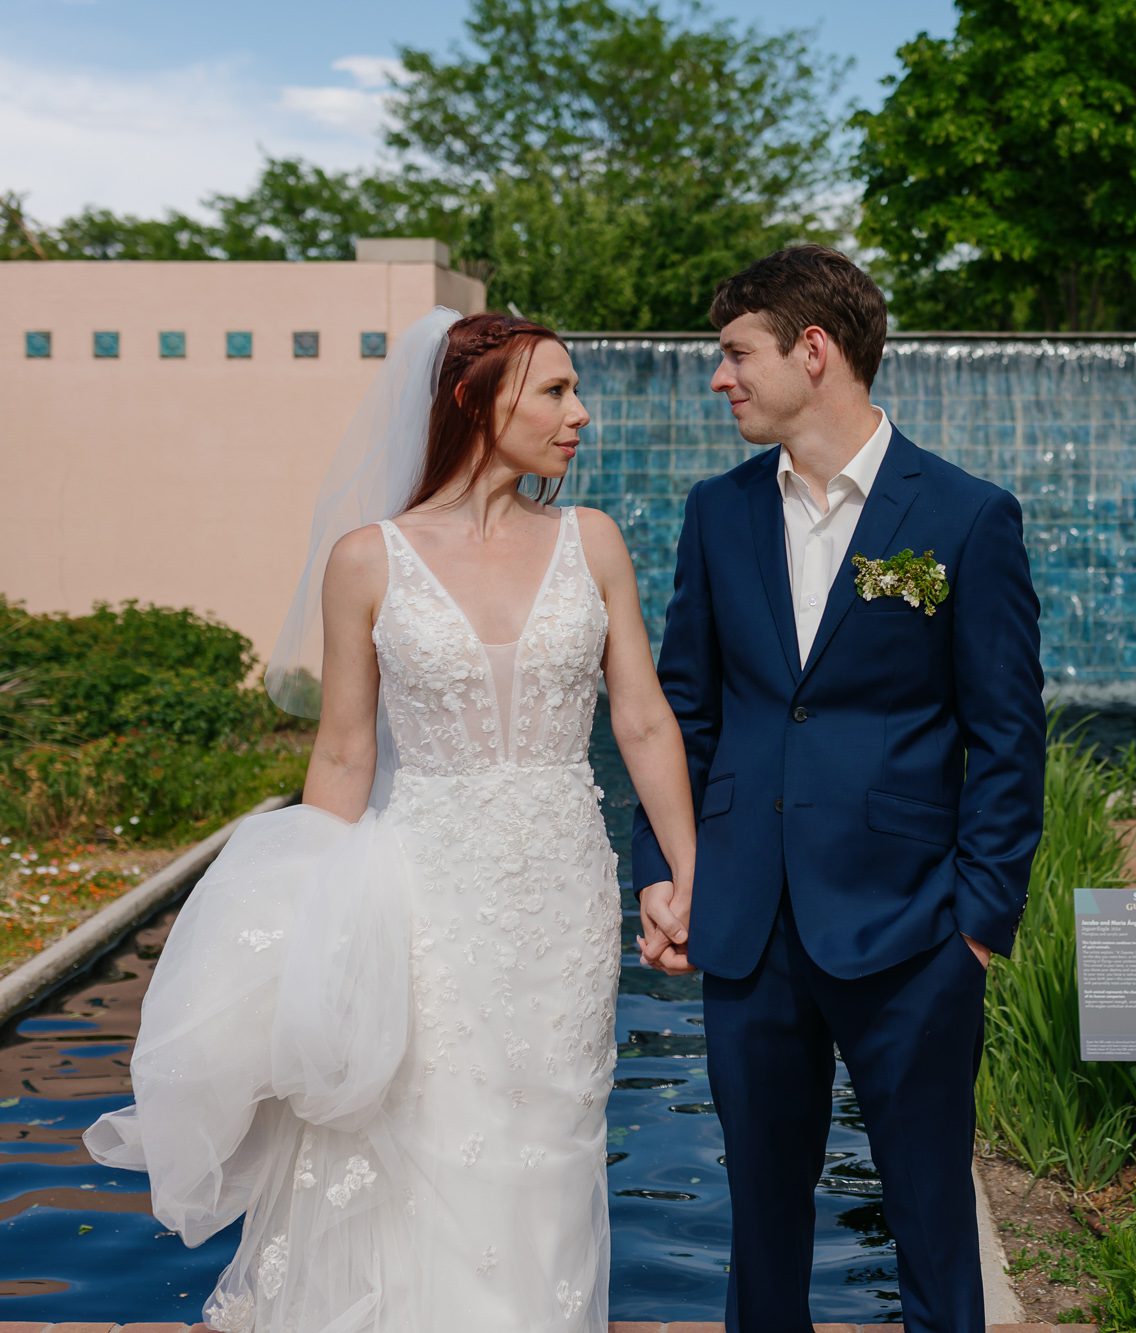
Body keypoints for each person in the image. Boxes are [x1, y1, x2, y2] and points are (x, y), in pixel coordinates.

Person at [85, 308, 700, 1331]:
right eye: (554, 391)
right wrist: (304, 922)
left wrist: (686, 868)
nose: (579, 414)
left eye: (575, 390)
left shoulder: (591, 541)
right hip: (423, 899)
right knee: (422, 1139)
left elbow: (640, 717)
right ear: (473, 400)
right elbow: (343, 753)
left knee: (551, 1145)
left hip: (563, 897)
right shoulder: (368, 560)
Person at [631, 245, 1046, 1332]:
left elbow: (1007, 737)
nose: (720, 377)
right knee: (762, 1225)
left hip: (913, 930)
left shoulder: (964, 516)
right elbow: (685, 711)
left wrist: (976, 924)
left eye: (737, 354)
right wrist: (664, 870)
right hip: (748, 921)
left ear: (812, 350)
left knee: (930, 1216)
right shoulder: (716, 513)